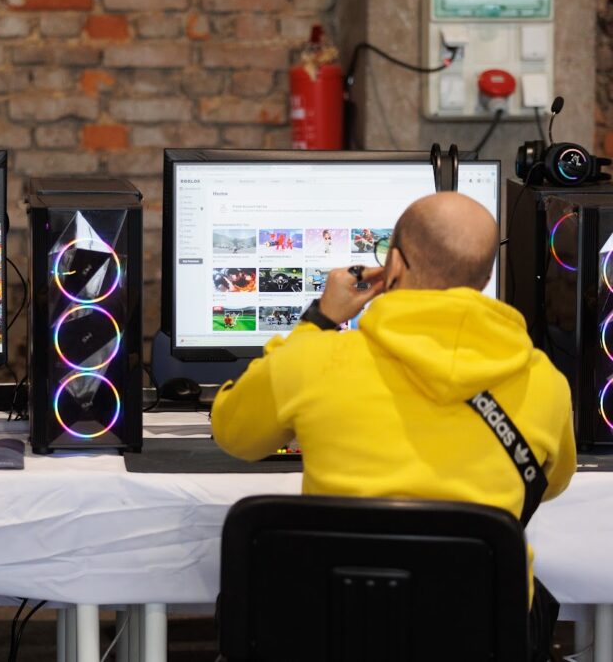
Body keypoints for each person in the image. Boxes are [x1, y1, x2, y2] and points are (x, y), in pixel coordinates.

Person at [211, 192, 575, 662]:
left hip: (326, 635)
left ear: (395, 264)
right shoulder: (545, 381)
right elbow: (551, 483)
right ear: (485, 278)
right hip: (473, 639)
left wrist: (321, 320)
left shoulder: (314, 359)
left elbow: (233, 433)